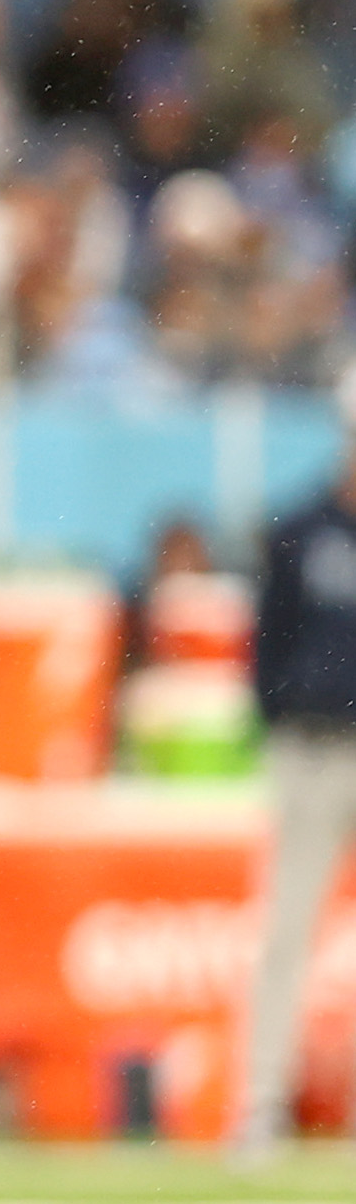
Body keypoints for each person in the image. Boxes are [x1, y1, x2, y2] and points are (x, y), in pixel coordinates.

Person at [241, 374, 356, 1153]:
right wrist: (284, 714)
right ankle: (258, 1107)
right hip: (311, 753)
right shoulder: (299, 531)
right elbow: (263, 649)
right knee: (285, 932)